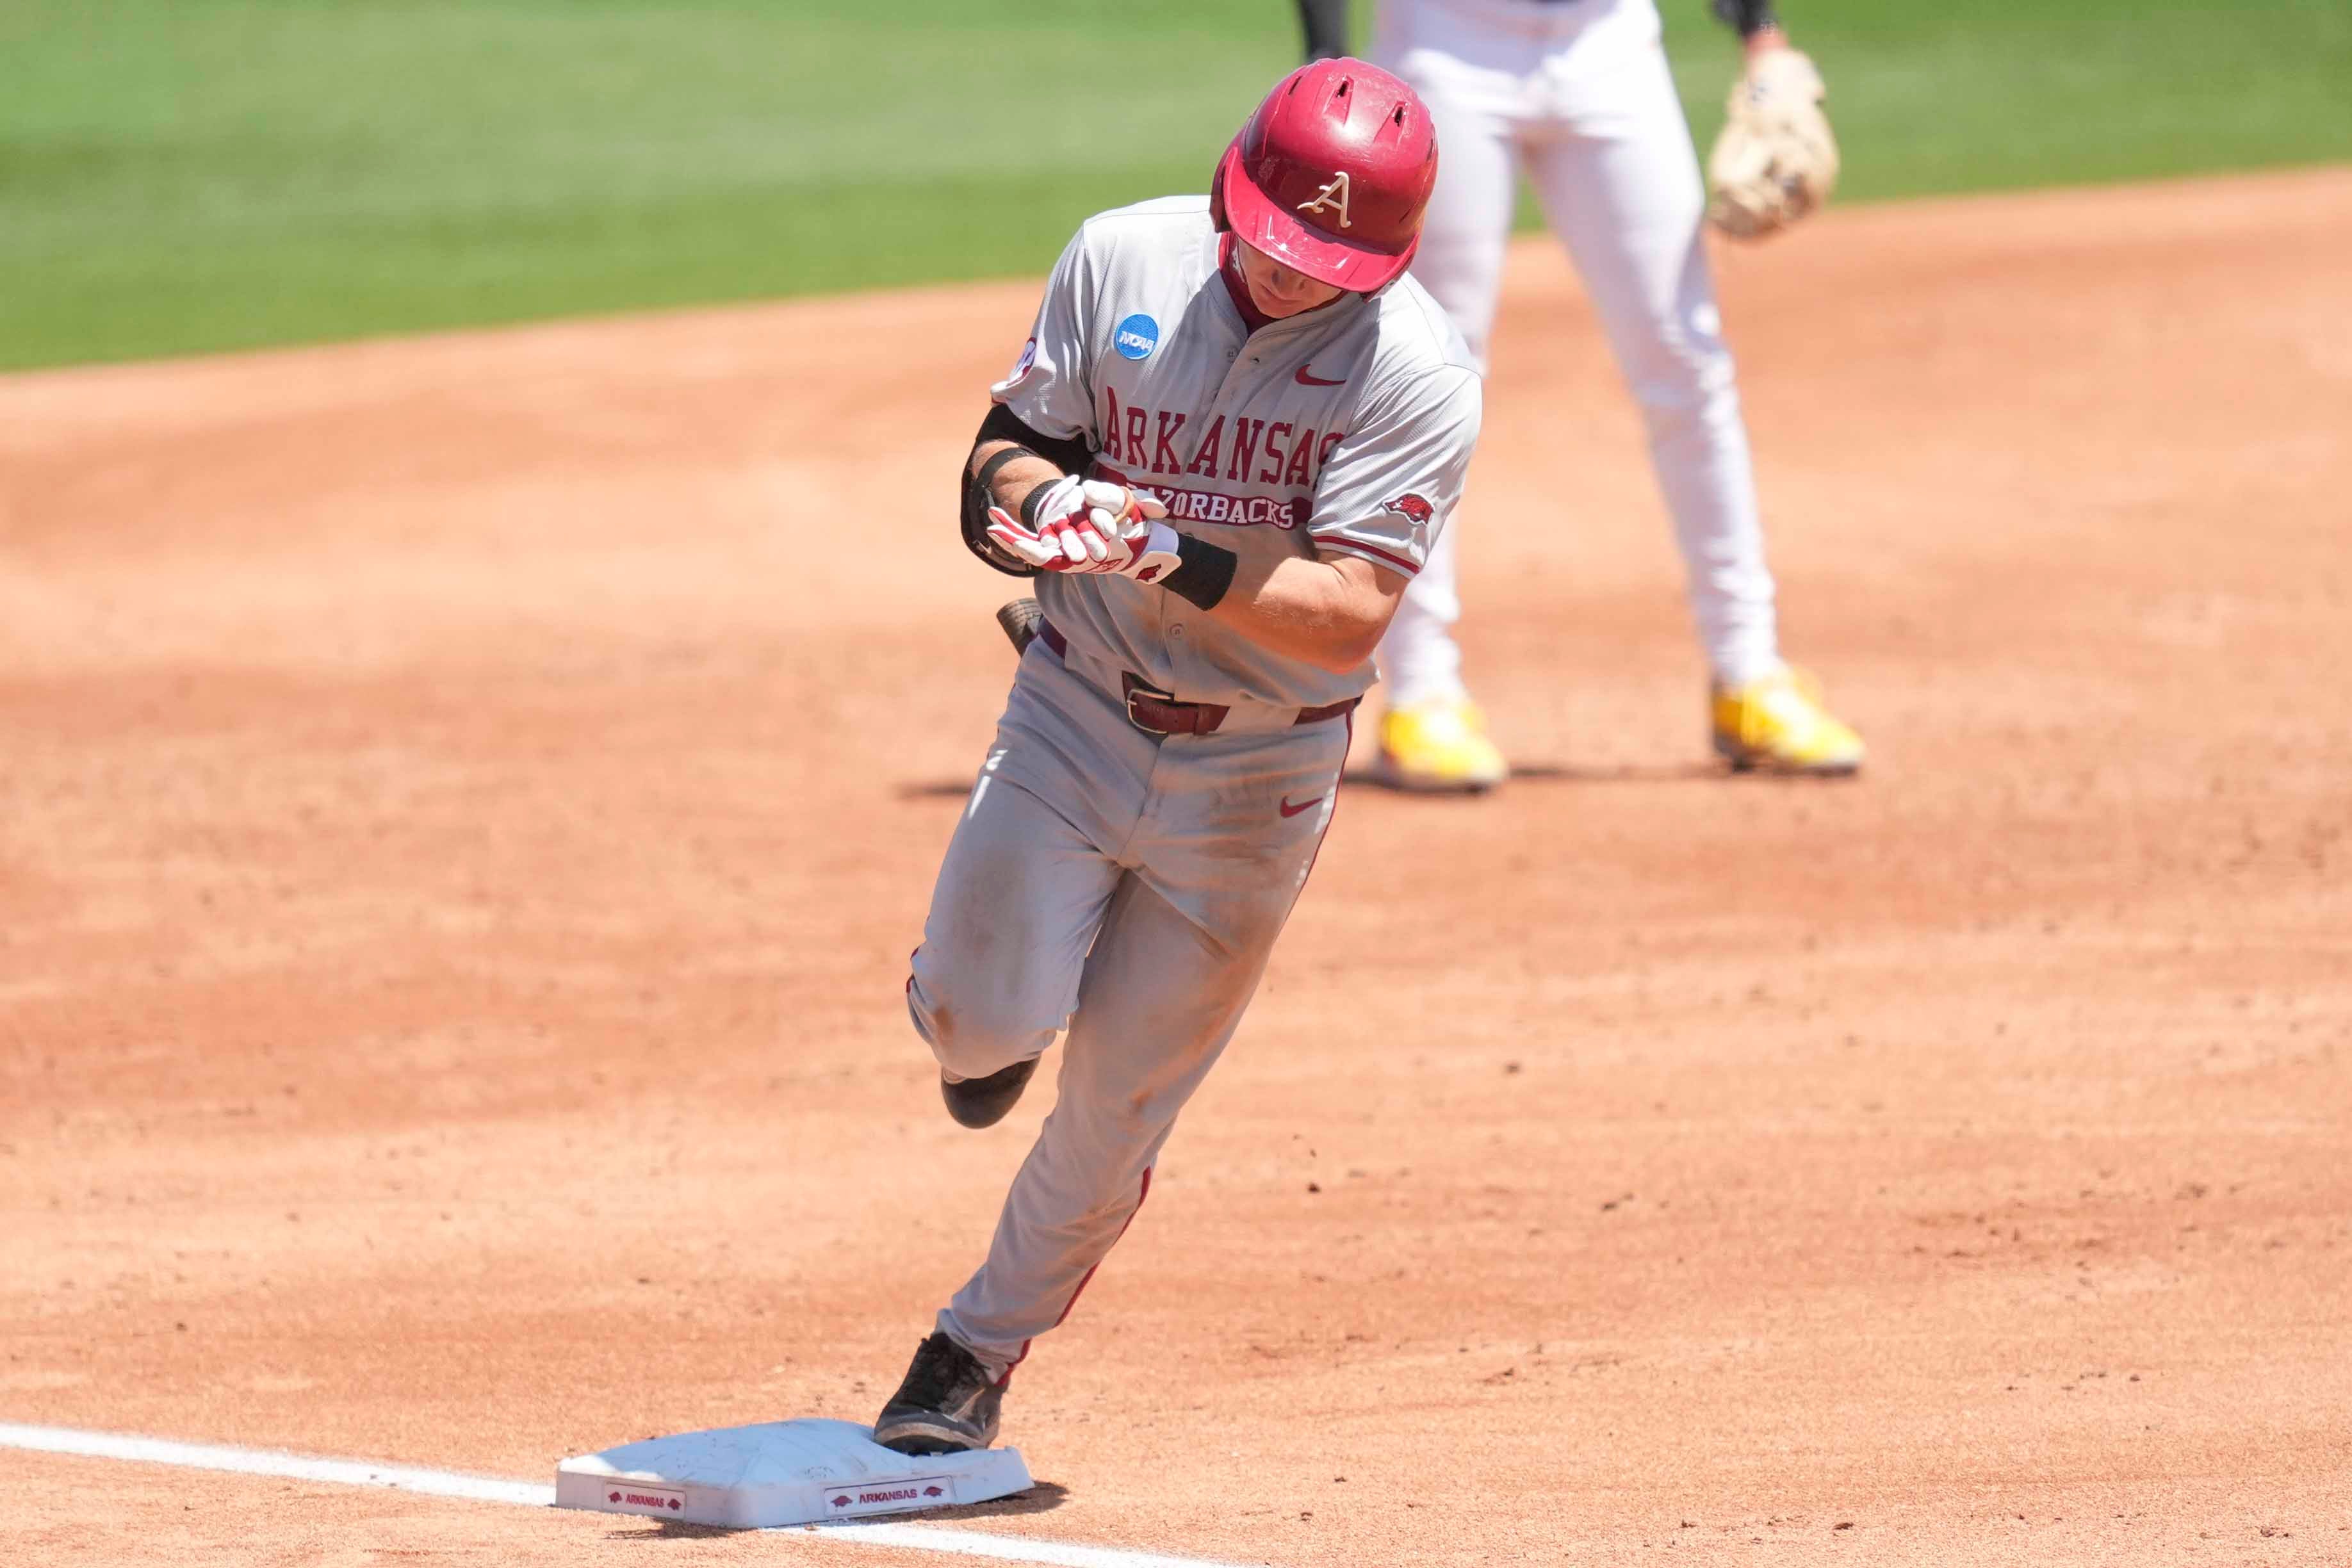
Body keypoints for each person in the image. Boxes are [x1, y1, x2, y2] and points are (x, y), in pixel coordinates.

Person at [870, 58, 1482, 1455]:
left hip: (1256, 778)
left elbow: (1344, 620)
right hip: (1077, 707)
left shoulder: (1420, 377)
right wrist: (1051, 507)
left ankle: (971, 1355)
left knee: (1121, 1099)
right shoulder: (1120, 258)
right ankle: (982, 1015)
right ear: (1233, 191)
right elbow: (1001, 458)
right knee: (979, 1022)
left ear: (1386, 261)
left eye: (1319, 263)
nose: (1282, 273)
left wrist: (1163, 545)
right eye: (1267, 239)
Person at [1296, 0, 1863, 789]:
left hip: (1609, 46)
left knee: (1686, 359)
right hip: (1445, 42)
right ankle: (1422, 692)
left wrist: (1762, 36)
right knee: (1430, 374)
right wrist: (1329, 62)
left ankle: (1751, 672)